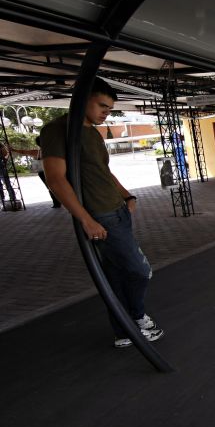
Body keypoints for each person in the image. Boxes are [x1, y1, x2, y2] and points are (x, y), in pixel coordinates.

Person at [40, 78, 164, 349]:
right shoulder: (58, 130)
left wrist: (127, 196)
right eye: (102, 106)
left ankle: (122, 330)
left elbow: (103, 172)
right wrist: (86, 219)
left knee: (117, 275)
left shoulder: (94, 133)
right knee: (140, 271)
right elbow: (56, 180)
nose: (106, 113)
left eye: (110, 109)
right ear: (83, 99)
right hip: (101, 217)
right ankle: (137, 317)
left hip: (118, 210)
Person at [33, 136, 60, 208]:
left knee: (50, 187)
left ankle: (56, 202)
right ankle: (58, 202)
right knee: (55, 186)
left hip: (43, 171)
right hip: (51, 169)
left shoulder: (40, 150)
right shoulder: (49, 149)